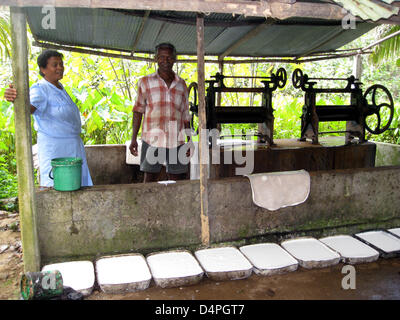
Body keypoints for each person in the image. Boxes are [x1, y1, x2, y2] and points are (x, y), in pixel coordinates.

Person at [4, 50, 93, 187]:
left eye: (61, 64)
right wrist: (15, 98)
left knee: (76, 185)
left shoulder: (60, 88)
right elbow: (28, 109)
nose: (60, 68)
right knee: (57, 185)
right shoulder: (41, 89)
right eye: (55, 65)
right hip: (55, 149)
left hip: (73, 147)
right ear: (43, 69)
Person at [129, 43, 193, 183]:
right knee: (150, 178)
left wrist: (189, 140)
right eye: (162, 57)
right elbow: (138, 111)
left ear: (174, 59)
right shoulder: (145, 82)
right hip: (152, 139)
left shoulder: (181, 84)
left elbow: (185, 115)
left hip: (177, 139)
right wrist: (134, 138)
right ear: (156, 59)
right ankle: (148, 205)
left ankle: (175, 205)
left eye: (169, 57)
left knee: (177, 179)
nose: (165, 61)